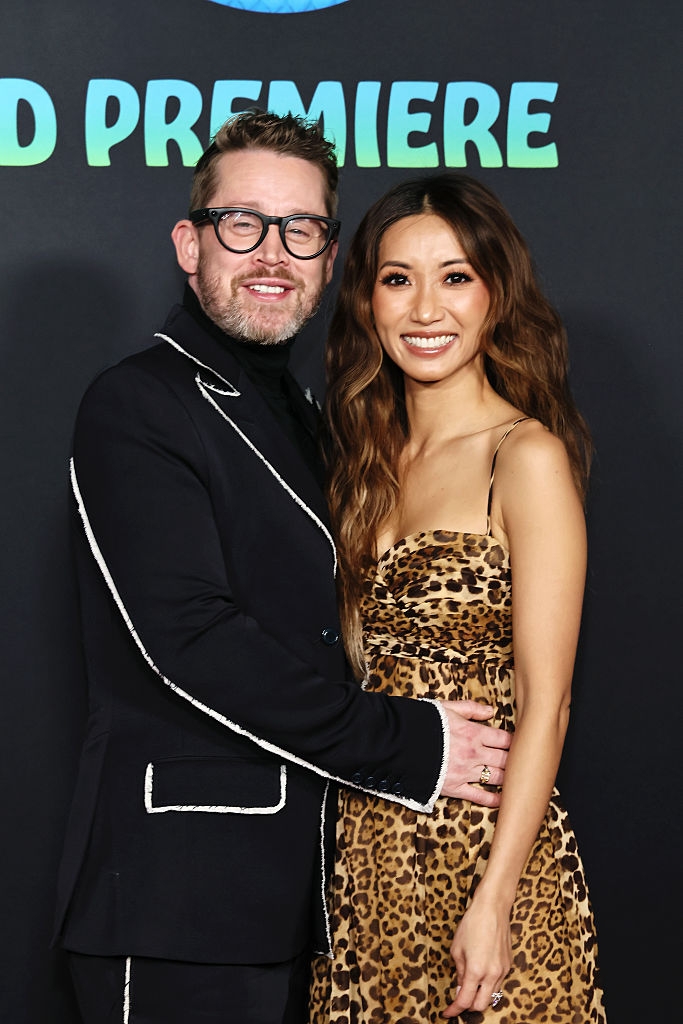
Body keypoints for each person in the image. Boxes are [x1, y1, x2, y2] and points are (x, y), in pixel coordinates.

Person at [53, 113, 512, 1024]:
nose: (272, 252)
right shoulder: (137, 402)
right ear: (190, 244)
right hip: (180, 901)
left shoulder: (308, 415)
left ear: (330, 255)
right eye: (242, 223)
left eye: (299, 228)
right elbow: (188, 640)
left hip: (309, 903)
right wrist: (410, 741)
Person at [309, 172, 606, 1022]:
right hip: (363, 863)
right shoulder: (358, 467)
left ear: (494, 295)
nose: (424, 309)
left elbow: (546, 708)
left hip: (483, 859)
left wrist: (495, 900)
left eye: (455, 277)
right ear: (366, 301)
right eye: (397, 279)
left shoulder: (526, 457)